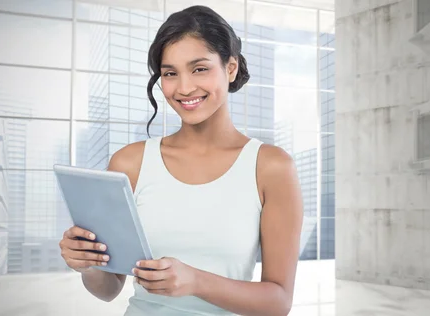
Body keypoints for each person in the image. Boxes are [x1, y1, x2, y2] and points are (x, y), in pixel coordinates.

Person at [58, 5, 303, 316]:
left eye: (199, 68)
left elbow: (279, 302)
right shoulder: (130, 163)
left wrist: (197, 281)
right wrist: (88, 265)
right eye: (170, 73)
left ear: (230, 68)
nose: (184, 88)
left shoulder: (271, 167)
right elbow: (108, 290)